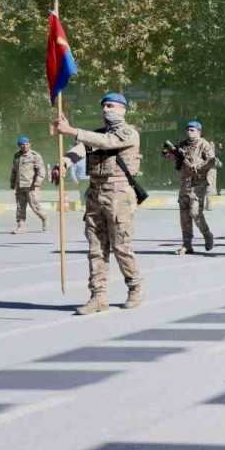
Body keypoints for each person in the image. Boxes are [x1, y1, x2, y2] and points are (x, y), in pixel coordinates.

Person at [51, 92, 144, 315]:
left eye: (111, 106)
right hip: (95, 193)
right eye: (103, 106)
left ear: (123, 109)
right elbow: (80, 149)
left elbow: (107, 142)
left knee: (121, 245)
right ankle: (98, 296)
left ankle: (135, 288)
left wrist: (73, 131)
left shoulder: (129, 133)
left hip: (118, 194)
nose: (106, 110)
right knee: (95, 248)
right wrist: (62, 163)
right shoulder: (94, 134)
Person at [164, 121, 216, 254]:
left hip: (199, 182)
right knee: (184, 214)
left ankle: (207, 235)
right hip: (185, 183)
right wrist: (170, 154)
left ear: (199, 131)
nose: (189, 132)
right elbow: (167, 154)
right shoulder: (182, 145)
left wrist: (198, 166)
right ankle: (187, 244)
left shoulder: (204, 145)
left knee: (195, 212)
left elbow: (211, 161)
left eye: (192, 130)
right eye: (188, 129)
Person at [9, 136, 47, 234]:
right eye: (22, 144)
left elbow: (41, 171)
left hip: (31, 186)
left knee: (35, 206)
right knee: (20, 206)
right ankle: (21, 227)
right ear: (19, 146)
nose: (24, 146)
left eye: (26, 144)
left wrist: (37, 182)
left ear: (29, 144)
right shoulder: (16, 156)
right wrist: (12, 182)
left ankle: (44, 218)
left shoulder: (35, 155)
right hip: (20, 186)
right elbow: (14, 171)